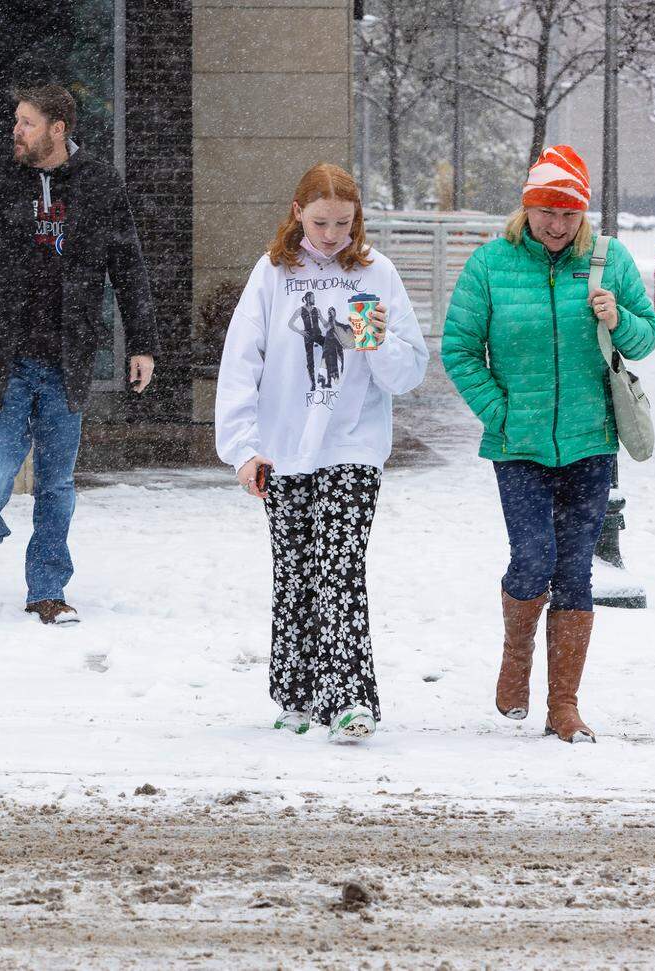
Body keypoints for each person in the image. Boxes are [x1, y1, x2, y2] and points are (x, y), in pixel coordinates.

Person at [442, 145, 655, 743]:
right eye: (546, 212)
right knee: (532, 557)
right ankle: (516, 663)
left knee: (575, 573)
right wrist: (500, 412)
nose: (557, 225)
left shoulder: (608, 262)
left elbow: (646, 341)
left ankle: (563, 706)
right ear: (527, 207)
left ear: (583, 214)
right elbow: (459, 349)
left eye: (568, 214)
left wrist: (619, 320)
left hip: (592, 443)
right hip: (518, 445)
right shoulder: (491, 264)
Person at [0, 84, 156, 625]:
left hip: (67, 357)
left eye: (26, 122)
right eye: (16, 121)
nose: (16, 130)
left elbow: (129, 268)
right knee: (0, 463)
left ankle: (46, 590)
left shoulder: (99, 185)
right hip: (2, 352)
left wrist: (142, 343)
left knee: (56, 483)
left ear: (58, 128)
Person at [215, 163, 429, 742]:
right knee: (296, 573)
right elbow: (241, 365)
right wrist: (242, 450)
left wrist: (378, 340)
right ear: (296, 213)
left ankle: (350, 698)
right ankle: (296, 692)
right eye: (320, 221)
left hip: (352, 445)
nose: (332, 235)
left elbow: (408, 374)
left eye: (344, 222)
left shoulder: (376, 274)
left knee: (339, 570)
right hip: (283, 450)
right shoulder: (273, 274)